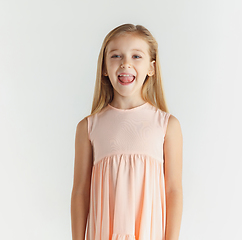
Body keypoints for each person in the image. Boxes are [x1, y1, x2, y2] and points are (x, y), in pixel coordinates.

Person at [71, 23, 183, 240]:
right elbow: (80, 192)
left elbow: (173, 191)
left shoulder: (167, 125)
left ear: (151, 68)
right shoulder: (88, 127)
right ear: (104, 67)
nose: (125, 64)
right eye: (116, 56)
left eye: (136, 56)